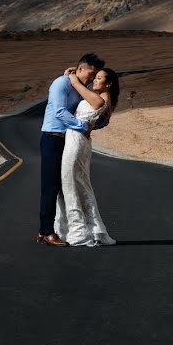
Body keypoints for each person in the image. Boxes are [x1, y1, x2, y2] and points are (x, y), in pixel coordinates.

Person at [36, 53, 105, 247]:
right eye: (91, 74)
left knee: (62, 186)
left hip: (67, 141)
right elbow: (59, 112)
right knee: (50, 186)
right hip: (52, 138)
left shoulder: (78, 86)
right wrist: (83, 128)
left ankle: (55, 229)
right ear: (80, 68)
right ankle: (46, 232)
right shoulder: (61, 83)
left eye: (95, 76)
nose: (92, 79)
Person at [54, 68, 119, 247]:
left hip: (75, 142)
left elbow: (76, 86)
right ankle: (95, 229)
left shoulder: (99, 99)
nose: (94, 81)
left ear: (109, 83)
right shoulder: (103, 99)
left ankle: (79, 233)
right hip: (79, 141)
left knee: (70, 184)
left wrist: (72, 79)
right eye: (95, 78)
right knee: (79, 185)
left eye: (99, 78)